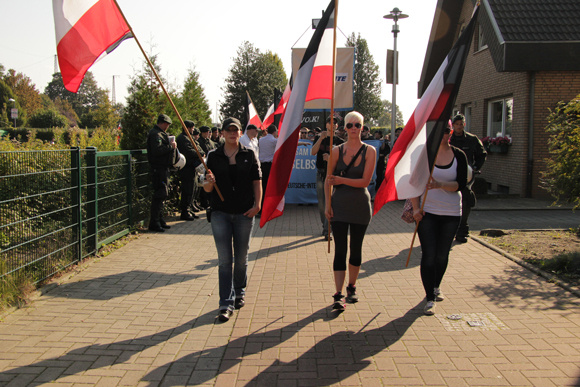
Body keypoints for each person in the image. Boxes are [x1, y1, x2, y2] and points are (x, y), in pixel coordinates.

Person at [203, 117, 262, 322]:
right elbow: (207, 188)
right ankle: (225, 303)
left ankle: (240, 290)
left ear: (239, 133)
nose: (232, 133)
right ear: (222, 133)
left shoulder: (249, 154)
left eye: (235, 130)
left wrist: (257, 205)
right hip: (220, 213)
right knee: (225, 260)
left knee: (242, 257)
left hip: (245, 213)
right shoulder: (213, 156)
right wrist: (208, 182)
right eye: (228, 130)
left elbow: (257, 180)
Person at [410, 124, 468, 315]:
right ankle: (429, 297)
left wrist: (439, 184)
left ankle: (436, 285)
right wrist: (416, 208)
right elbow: (414, 184)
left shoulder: (459, 155)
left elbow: (460, 185)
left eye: (445, 131)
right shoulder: (425, 155)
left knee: (442, 255)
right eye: (438, 131)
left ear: (450, 133)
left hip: (451, 212)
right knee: (429, 255)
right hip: (428, 212)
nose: (442, 135)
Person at [325, 111, 376, 311]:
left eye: (357, 125)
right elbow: (328, 181)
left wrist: (341, 180)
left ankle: (352, 287)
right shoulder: (336, 151)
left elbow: (365, 181)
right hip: (339, 206)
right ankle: (338, 293)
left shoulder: (370, 151)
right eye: (349, 125)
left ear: (362, 128)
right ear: (343, 128)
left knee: (356, 248)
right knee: (340, 249)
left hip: (360, 207)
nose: (353, 128)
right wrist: (328, 205)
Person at [449, 113, 486, 243]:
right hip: (448, 175)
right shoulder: (447, 138)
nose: (459, 127)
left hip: (466, 176)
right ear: (453, 125)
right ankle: (447, 231)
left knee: (465, 202)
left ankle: (462, 231)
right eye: (456, 124)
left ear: (464, 125)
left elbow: (482, 154)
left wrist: (475, 167)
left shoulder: (472, 139)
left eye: (461, 124)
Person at [312, 116, 344, 240]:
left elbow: (342, 160)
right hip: (320, 174)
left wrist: (330, 158)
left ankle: (327, 230)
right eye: (330, 122)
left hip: (332, 175)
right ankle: (324, 226)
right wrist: (321, 137)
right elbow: (313, 152)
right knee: (321, 204)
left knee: (329, 202)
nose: (333, 124)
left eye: (335, 123)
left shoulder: (340, 141)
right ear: (326, 125)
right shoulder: (319, 138)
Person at [147, 114, 177, 232]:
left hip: (163, 168)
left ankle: (159, 219)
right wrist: (170, 146)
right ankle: (154, 222)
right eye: (167, 125)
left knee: (163, 194)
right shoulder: (155, 134)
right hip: (158, 168)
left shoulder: (159, 133)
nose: (168, 127)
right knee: (159, 194)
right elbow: (157, 151)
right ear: (163, 123)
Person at [176, 120, 201, 221]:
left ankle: (189, 208)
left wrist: (199, 152)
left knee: (193, 189)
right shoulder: (182, 138)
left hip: (193, 168)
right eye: (191, 128)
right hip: (186, 168)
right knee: (187, 189)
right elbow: (189, 151)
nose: (193, 130)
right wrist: (198, 153)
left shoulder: (189, 138)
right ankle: (185, 211)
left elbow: (199, 148)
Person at [258, 124, 278, 214]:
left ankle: (261, 208)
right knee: (269, 188)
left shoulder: (261, 140)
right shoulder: (274, 141)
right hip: (270, 166)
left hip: (261, 166)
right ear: (274, 131)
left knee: (262, 187)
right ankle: (268, 209)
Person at [197, 126, 216, 209]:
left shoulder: (210, 141)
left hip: (211, 164)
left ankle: (208, 201)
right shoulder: (199, 141)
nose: (209, 134)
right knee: (204, 184)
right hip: (203, 164)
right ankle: (203, 202)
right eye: (207, 132)